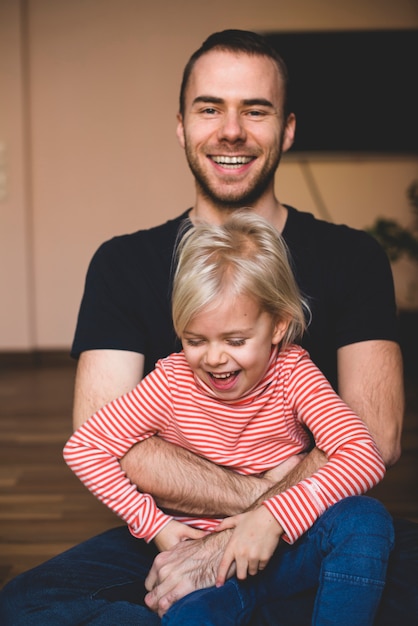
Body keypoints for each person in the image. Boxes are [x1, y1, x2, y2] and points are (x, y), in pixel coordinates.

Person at [0, 28, 415, 626]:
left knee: (383, 557)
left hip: (317, 522)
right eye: (210, 108)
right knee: (26, 605)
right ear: (181, 126)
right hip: (191, 533)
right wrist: (242, 512)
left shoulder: (353, 257)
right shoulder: (124, 263)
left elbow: (373, 439)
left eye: (256, 109)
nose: (231, 130)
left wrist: (267, 520)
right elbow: (114, 446)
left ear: (288, 129)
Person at [63, 211, 393, 626]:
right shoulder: (170, 379)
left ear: (278, 325)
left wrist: (274, 515)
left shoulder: (293, 371)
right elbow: (85, 448)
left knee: (367, 520)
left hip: (291, 546)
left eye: (235, 340)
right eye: (195, 340)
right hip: (207, 573)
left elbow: (363, 453)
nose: (214, 357)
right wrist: (156, 526)